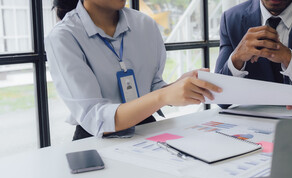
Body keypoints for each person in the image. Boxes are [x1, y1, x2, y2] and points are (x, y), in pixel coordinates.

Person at [46, 0, 222, 140]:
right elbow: (97, 120)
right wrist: (164, 96)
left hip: (146, 129)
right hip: (95, 140)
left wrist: (177, 87)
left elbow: (152, 87)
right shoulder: (64, 37)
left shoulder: (145, 24)